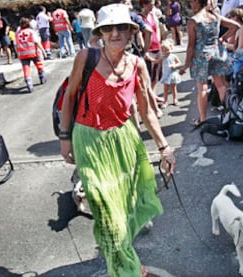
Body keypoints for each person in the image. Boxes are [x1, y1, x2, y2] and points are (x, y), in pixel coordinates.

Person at [59, 4, 175, 277]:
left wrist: (164, 147)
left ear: (132, 32)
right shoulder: (85, 58)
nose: (115, 33)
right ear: (99, 33)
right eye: (108, 28)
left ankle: (123, 263)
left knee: (124, 208)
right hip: (89, 140)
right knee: (105, 210)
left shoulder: (136, 65)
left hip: (124, 139)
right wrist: (65, 138)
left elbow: (146, 111)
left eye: (122, 27)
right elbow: (70, 97)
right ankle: (129, 269)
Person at [179, 0, 240, 125]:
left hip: (200, 57)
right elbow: (236, 26)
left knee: (202, 88)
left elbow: (191, 46)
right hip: (216, 53)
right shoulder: (215, 16)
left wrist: (186, 64)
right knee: (221, 85)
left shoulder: (194, 21)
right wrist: (222, 38)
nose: (190, 4)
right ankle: (231, 114)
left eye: (192, 1)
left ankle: (203, 119)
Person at [15, 17, 47, 93]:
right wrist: (43, 51)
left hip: (23, 54)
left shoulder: (18, 34)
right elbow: (36, 42)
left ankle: (29, 83)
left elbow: (16, 45)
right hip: (33, 52)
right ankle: (42, 77)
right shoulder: (31, 32)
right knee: (39, 64)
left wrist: (18, 54)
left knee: (26, 69)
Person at [139, 0, 162, 95]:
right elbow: (139, 35)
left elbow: (157, 30)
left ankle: (153, 94)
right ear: (144, 4)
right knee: (148, 74)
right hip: (148, 48)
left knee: (156, 74)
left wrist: (159, 43)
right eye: (150, 4)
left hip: (157, 47)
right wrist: (145, 50)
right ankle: (148, 96)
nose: (152, 6)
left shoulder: (153, 16)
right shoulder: (140, 18)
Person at [159, 40, 183, 107]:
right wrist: (150, 59)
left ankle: (175, 99)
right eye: (164, 50)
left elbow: (179, 63)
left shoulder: (173, 56)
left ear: (171, 49)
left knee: (173, 88)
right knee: (165, 89)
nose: (166, 52)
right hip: (166, 74)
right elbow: (157, 62)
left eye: (168, 50)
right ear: (162, 51)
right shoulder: (163, 57)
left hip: (172, 74)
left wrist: (175, 65)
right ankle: (165, 101)